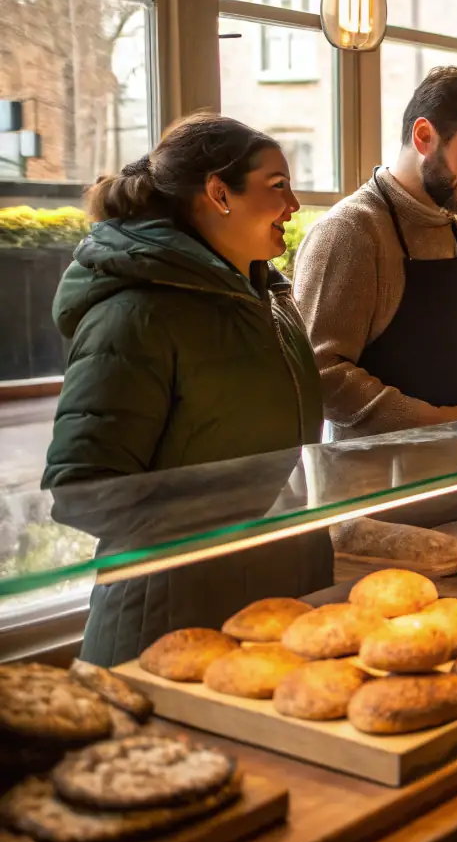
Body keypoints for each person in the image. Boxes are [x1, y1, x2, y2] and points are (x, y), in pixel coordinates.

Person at [44, 113, 332, 664]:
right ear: (219, 193)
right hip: (168, 625)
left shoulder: (272, 301)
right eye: (277, 187)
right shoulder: (135, 315)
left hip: (277, 611)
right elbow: (82, 490)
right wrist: (231, 515)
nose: (293, 205)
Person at [292, 67, 457, 438]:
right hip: (381, 484)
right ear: (425, 136)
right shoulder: (349, 232)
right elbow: (320, 374)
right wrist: (444, 419)